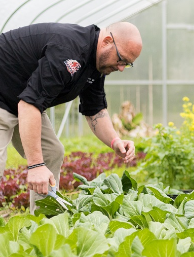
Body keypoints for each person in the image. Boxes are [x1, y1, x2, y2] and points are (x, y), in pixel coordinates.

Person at [0, 22, 142, 213]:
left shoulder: (96, 65)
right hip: (7, 94)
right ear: (107, 41)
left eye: (127, 64)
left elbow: (95, 109)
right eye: (121, 59)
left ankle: (42, 226)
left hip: (22, 100)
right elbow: (29, 105)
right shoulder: (68, 50)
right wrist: (35, 165)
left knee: (51, 152)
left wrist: (115, 141)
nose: (122, 68)